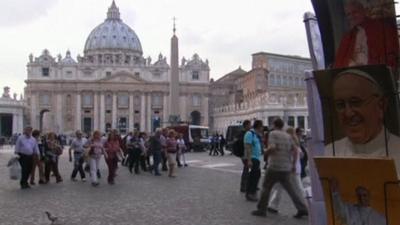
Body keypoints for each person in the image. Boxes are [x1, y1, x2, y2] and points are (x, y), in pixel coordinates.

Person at [325, 69, 400, 174]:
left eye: (356, 102)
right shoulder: (329, 152)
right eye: (340, 105)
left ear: (381, 106)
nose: (348, 113)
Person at [252, 118, 308, 218]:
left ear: (274, 125)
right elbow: (295, 150)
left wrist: (266, 154)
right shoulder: (287, 136)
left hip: (274, 166)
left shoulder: (273, 134)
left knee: (266, 187)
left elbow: (272, 147)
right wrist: (294, 164)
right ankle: (302, 208)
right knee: (291, 190)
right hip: (286, 167)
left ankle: (261, 209)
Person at [334, 0, 399, 70]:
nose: (351, 17)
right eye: (348, 14)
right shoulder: (347, 38)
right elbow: (340, 64)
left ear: (364, 11)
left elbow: (391, 57)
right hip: (351, 74)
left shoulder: (381, 28)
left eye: (355, 12)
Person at [267, 127, 305, 214]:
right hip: (291, 168)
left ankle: (305, 206)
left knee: (297, 188)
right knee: (283, 186)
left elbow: (294, 153)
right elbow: (301, 154)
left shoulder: (289, 141)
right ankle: (273, 205)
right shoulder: (295, 141)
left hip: (290, 168)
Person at [244, 120, 264, 202]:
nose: (262, 128)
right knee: (253, 176)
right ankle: (250, 193)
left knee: (256, 175)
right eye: (262, 126)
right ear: (259, 126)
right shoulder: (250, 134)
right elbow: (248, 147)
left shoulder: (256, 135)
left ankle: (252, 192)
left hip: (256, 158)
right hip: (252, 158)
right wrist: (249, 160)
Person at [239, 120, 252, 193]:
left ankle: (247, 185)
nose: (251, 126)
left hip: (245, 154)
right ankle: (244, 186)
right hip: (245, 155)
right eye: (250, 125)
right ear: (246, 125)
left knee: (248, 170)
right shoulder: (244, 133)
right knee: (246, 170)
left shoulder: (243, 133)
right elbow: (245, 145)